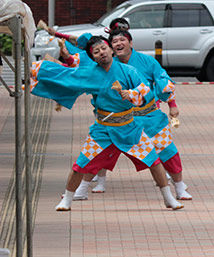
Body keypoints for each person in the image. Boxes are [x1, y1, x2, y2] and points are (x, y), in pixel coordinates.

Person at [30, 36, 182, 211]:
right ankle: (67, 200)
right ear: (93, 58)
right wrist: (39, 71)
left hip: (130, 128)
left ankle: (169, 198)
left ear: (110, 50)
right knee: (81, 164)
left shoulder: (129, 70)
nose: (101, 53)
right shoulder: (90, 73)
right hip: (103, 129)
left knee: (153, 161)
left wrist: (132, 94)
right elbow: (68, 77)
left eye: (103, 48)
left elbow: (145, 88)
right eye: (96, 52)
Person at [71, 29, 192, 200]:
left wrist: (172, 104)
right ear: (111, 47)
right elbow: (81, 77)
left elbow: (163, 80)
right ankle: (83, 188)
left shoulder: (147, 61)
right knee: (98, 152)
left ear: (130, 42)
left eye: (122, 40)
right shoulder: (101, 67)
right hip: (118, 121)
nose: (118, 43)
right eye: (114, 41)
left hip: (149, 117)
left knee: (167, 149)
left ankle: (179, 188)